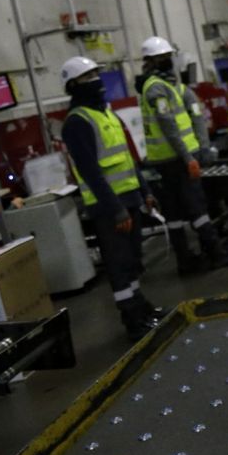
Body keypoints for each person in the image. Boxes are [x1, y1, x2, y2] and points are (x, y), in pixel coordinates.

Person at [59, 56, 162, 341]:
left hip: (129, 198)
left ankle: (142, 309)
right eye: (87, 77)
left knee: (133, 259)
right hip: (109, 207)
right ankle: (132, 319)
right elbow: (90, 172)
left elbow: (128, 158)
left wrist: (145, 192)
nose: (96, 81)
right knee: (118, 263)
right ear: (72, 86)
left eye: (96, 74)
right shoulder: (76, 123)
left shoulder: (106, 114)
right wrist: (116, 209)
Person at [138, 36, 228, 274]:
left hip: (173, 159)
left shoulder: (171, 86)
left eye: (168, 57)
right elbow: (168, 125)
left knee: (176, 212)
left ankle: (187, 261)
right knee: (196, 207)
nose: (168, 61)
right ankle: (214, 253)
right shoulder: (156, 88)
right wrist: (189, 157)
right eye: (163, 58)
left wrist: (202, 147)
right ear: (151, 61)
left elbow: (196, 115)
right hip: (174, 160)